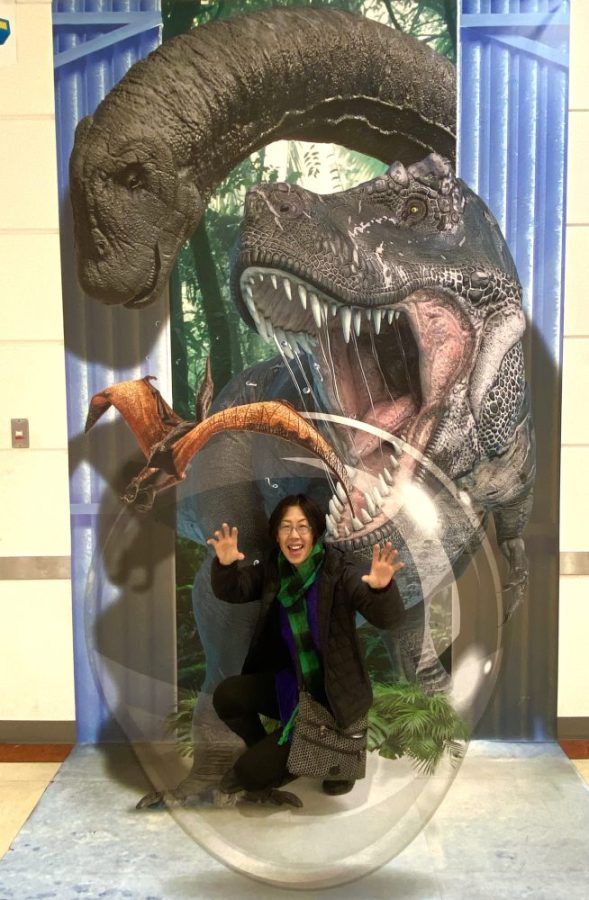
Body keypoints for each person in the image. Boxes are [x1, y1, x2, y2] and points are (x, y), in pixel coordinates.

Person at [208, 493, 405, 805]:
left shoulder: (340, 572)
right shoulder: (275, 570)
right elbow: (234, 590)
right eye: (286, 527)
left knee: (244, 775)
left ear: (315, 533)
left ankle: (334, 762)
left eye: (303, 526)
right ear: (276, 535)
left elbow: (389, 619)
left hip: (332, 696)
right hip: (293, 686)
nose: (294, 535)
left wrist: (383, 590)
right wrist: (225, 565)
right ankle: (274, 748)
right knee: (227, 696)